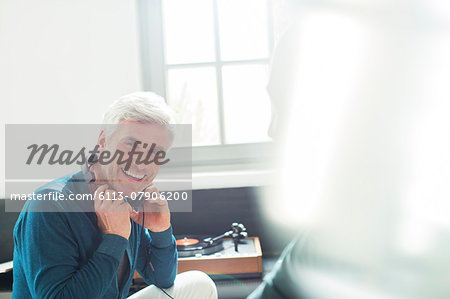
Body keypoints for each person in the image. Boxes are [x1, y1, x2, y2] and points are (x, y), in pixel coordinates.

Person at [12, 92, 217, 299]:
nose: (141, 161)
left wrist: (161, 230)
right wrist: (115, 237)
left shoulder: (128, 196)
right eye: (131, 144)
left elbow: (162, 279)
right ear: (103, 140)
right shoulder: (49, 205)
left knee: (199, 284)